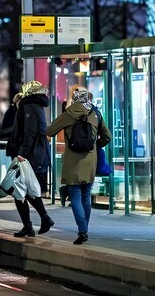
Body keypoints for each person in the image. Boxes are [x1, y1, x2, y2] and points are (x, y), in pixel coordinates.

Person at [47, 87, 111, 245]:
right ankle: (85, 229)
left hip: (72, 161)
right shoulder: (95, 113)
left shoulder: (69, 114)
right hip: (90, 159)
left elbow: (50, 130)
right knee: (86, 196)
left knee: (75, 196)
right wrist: (95, 146)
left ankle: (82, 230)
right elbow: (107, 136)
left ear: (74, 98)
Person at [9, 81, 54, 237]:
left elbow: (29, 133)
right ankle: (36, 222)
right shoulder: (35, 105)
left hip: (30, 155)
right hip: (36, 154)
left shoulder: (29, 106)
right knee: (23, 190)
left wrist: (24, 154)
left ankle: (37, 221)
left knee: (19, 190)